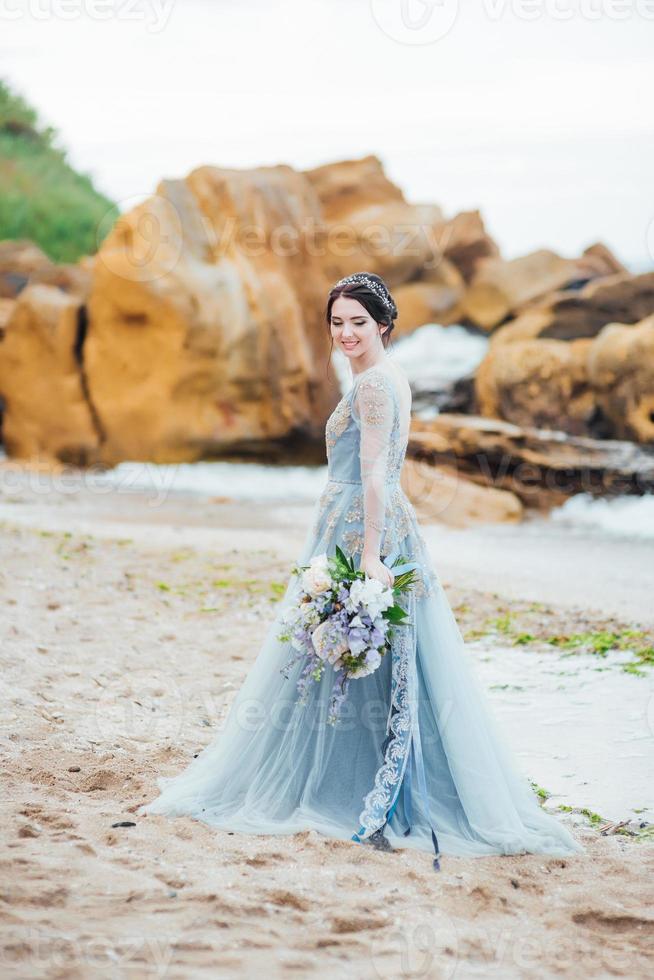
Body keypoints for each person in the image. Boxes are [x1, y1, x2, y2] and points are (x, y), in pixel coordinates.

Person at [139, 271, 582, 868]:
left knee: (349, 647)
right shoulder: (387, 374)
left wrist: (369, 555)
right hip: (372, 518)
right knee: (367, 654)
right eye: (337, 322)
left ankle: (349, 788)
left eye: (359, 323)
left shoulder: (374, 385)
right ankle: (366, 774)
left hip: (359, 523)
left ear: (384, 327)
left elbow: (374, 473)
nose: (346, 333)